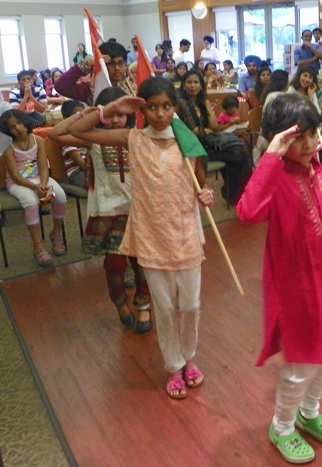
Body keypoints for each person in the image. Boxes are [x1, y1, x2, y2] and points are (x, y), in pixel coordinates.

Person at [68, 77, 215, 399]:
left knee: (190, 305)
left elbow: (199, 185)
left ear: (174, 107)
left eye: (167, 106)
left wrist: (206, 196)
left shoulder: (186, 140)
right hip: (151, 237)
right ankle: (174, 365)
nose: (161, 114)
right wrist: (110, 109)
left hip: (187, 233)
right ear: (143, 109)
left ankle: (190, 357)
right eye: (153, 107)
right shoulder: (133, 138)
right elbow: (78, 132)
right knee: (164, 307)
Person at [237, 93, 322, 465]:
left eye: (313, 133)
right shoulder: (275, 181)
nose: (308, 143)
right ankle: (282, 426)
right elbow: (248, 212)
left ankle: (308, 411)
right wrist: (271, 155)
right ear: (280, 139)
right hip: (294, 288)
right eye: (296, 136)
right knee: (302, 363)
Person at [49, 87, 152, 333]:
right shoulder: (92, 137)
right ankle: (120, 303)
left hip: (138, 210)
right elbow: (55, 134)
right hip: (107, 211)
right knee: (115, 264)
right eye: (111, 114)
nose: (116, 119)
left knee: (143, 262)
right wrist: (91, 114)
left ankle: (144, 303)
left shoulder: (138, 136)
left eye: (121, 114)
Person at [0, 110, 67, 266]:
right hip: (18, 183)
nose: (18, 128)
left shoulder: (38, 140)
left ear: (25, 121)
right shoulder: (9, 146)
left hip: (40, 180)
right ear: (7, 130)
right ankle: (38, 246)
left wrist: (43, 184)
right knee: (30, 203)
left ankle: (56, 234)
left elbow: (44, 168)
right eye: (12, 127)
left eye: (19, 123)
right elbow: (15, 176)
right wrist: (35, 188)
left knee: (60, 196)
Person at [177, 69, 250, 206]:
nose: (193, 86)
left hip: (208, 143)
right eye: (189, 82)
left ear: (201, 85)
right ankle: (233, 195)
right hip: (196, 149)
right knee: (238, 158)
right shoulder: (183, 103)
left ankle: (235, 193)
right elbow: (194, 130)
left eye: (196, 82)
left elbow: (214, 126)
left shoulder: (200, 102)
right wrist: (205, 130)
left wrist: (206, 104)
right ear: (184, 85)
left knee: (242, 154)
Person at [55, 41, 136, 105]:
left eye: (121, 63)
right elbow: (61, 86)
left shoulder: (135, 85)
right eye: (111, 64)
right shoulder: (92, 89)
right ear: (102, 65)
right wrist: (87, 63)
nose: (117, 68)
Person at [59, 100, 87, 188]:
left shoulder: (86, 132)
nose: (81, 119)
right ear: (66, 118)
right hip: (78, 173)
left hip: (90, 169)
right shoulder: (66, 138)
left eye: (83, 115)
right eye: (77, 116)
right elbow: (81, 163)